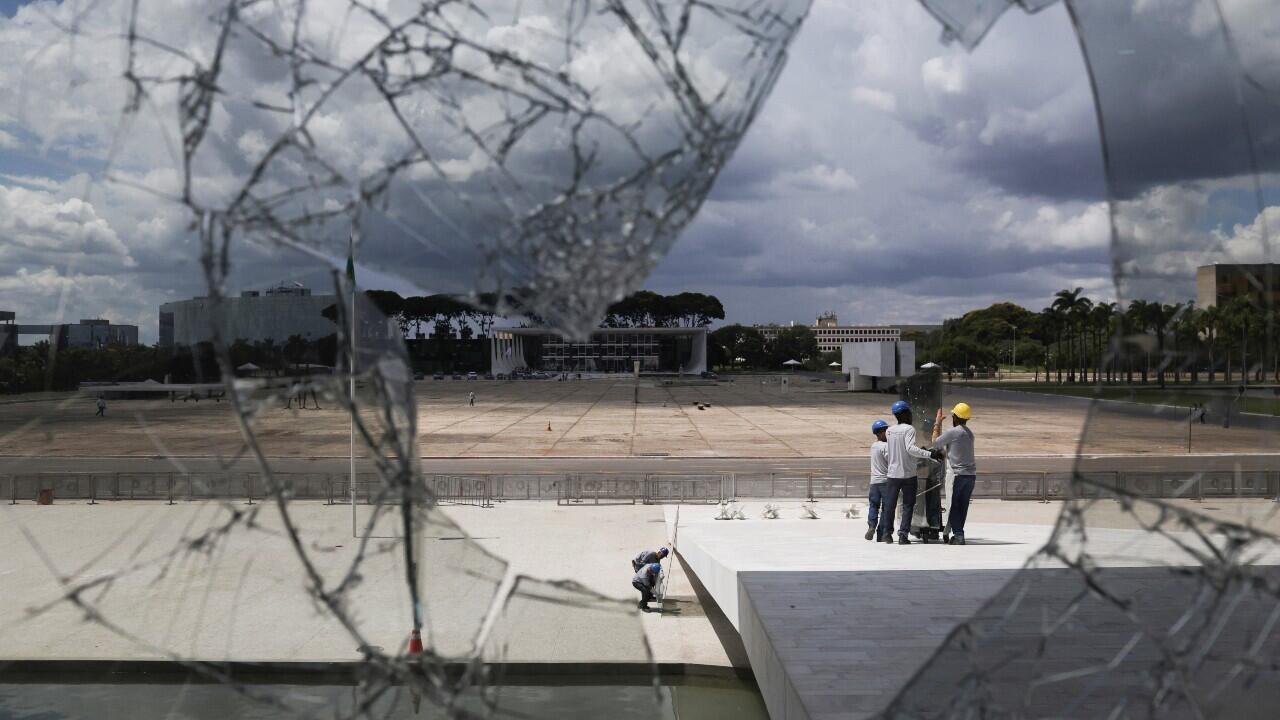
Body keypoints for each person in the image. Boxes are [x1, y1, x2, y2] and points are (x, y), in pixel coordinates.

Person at [877, 400, 940, 545]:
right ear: (905, 414)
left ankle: (887, 534)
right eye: (909, 413)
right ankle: (903, 535)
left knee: (890, 505)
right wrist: (929, 454)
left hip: (893, 474)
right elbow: (910, 449)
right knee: (907, 505)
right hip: (908, 475)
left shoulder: (889, 431)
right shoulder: (909, 429)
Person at [932, 402, 976, 545]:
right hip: (970, 476)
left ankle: (958, 535)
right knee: (962, 507)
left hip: (957, 475)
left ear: (955, 417)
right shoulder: (969, 433)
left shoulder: (954, 432)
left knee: (954, 506)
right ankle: (957, 532)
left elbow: (935, 443)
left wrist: (937, 423)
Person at [866, 420, 890, 541]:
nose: (887, 433)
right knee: (886, 508)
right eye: (885, 431)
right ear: (880, 433)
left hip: (874, 482)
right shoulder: (886, 447)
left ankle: (871, 525)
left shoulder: (873, 446)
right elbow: (891, 461)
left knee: (873, 505)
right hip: (885, 482)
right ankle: (881, 533)